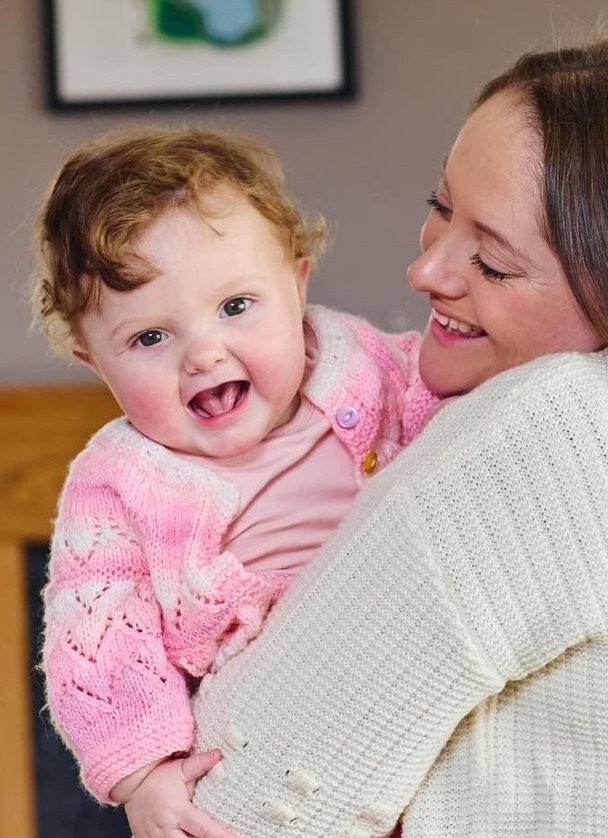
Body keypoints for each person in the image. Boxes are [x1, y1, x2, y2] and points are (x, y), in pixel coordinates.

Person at [188, 40, 608, 836]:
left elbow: (230, 799)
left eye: (492, 262)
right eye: (440, 205)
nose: (426, 273)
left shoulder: (554, 426)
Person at [33, 127, 437, 838]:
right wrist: (145, 778)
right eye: (150, 338)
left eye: (236, 306)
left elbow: (461, 423)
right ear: (95, 364)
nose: (204, 353)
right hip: (281, 747)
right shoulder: (118, 484)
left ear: (298, 285)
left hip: (422, 683)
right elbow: (96, 641)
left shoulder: (370, 367)